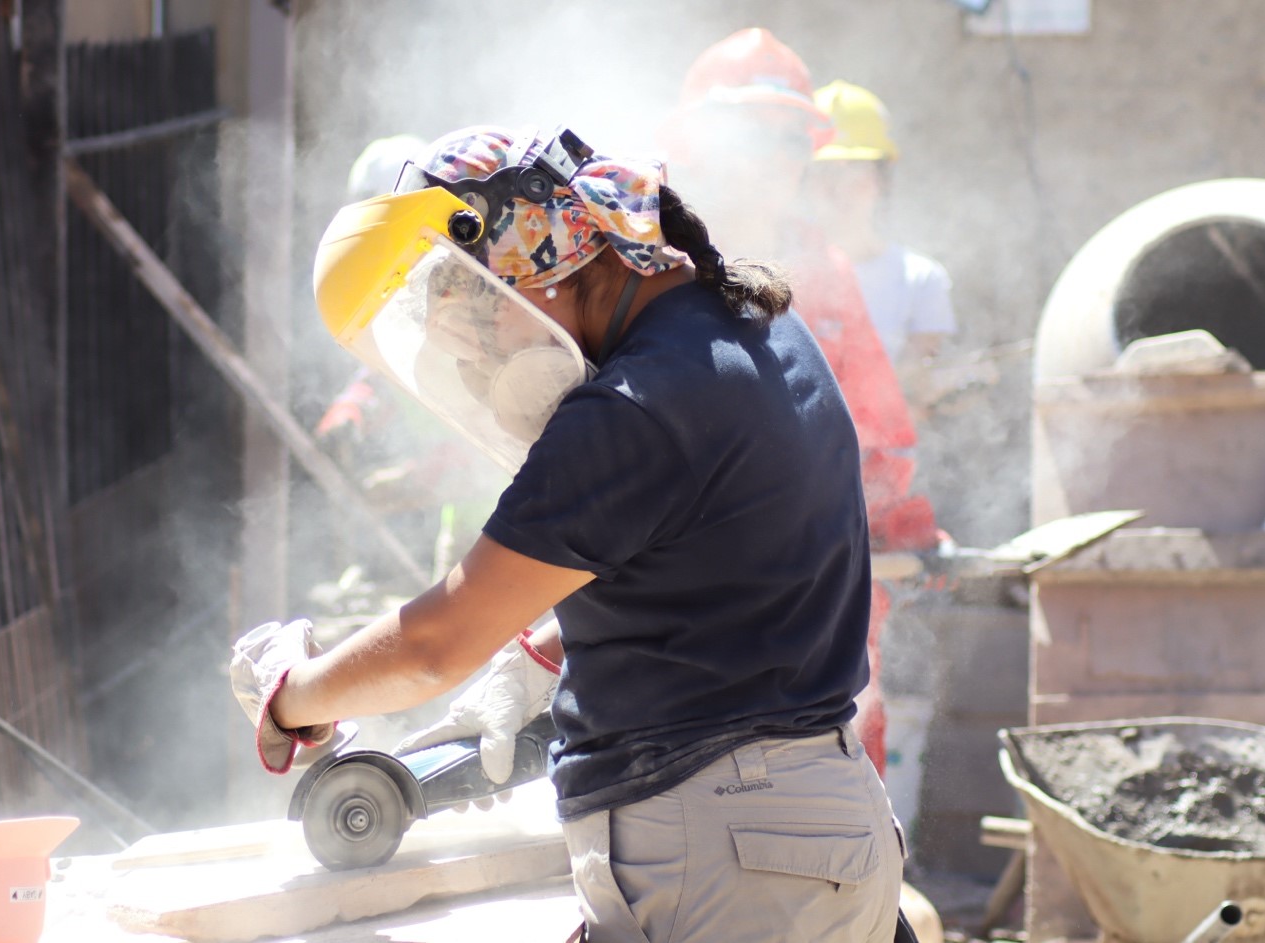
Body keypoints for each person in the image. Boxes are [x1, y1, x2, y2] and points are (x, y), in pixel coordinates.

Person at [232, 125, 905, 942]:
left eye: (481, 319)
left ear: (538, 256)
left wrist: (293, 694)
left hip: (729, 858)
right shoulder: (751, 331)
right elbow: (717, 569)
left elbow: (436, 644)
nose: (483, 354)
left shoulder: (635, 409)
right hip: (813, 833)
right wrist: (544, 655)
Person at [662, 30, 942, 778]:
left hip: (820, 603)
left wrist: (904, 525)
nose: (778, 159)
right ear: (699, 145)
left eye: (791, 140)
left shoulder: (822, 269)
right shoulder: (650, 264)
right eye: (756, 136)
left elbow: (877, 427)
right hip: (676, 613)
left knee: (845, 793)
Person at [807, 81, 958, 417]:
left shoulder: (921, 280)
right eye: (827, 174)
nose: (840, 189)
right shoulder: (778, 277)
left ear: (881, 180)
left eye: (856, 172)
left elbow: (917, 396)